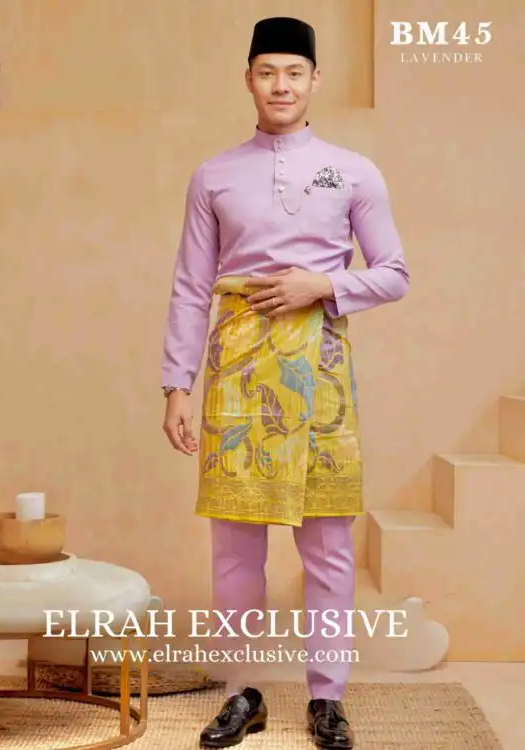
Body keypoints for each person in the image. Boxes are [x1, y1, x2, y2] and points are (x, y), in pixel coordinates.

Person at [160, 15, 409, 750]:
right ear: (248, 79)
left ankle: (328, 698)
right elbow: (190, 286)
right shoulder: (213, 175)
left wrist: (323, 285)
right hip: (235, 370)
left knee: (327, 545)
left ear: (314, 81)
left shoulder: (353, 171)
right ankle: (241, 693)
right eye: (267, 71)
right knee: (235, 549)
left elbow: (394, 273)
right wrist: (176, 385)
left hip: (320, 370)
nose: (280, 85)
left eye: (294, 72)